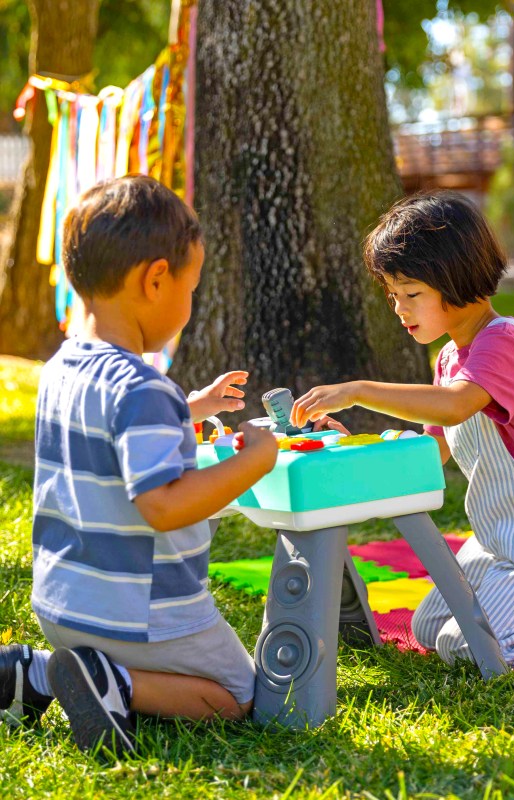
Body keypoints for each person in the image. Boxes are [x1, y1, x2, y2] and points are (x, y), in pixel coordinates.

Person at [290, 191, 514, 668]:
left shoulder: (505, 343)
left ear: (455, 277)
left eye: (411, 294)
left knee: (469, 646)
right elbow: (429, 454)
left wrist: (358, 389)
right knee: (430, 627)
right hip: (501, 540)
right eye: (394, 296)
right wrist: (350, 443)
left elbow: (456, 406)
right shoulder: (448, 359)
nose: (399, 310)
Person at [0, 175, 279, 756]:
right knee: (238, 693)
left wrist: (190, 406)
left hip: (63, 605)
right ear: (155, 280)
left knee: (218, 683)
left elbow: (114, 430)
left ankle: (37, 672)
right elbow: (164, 503)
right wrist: (257, 459)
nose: (190, 302)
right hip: (142, 617)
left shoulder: (60, 370)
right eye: (190, 287)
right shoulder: (143, 389)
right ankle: (114, 683)